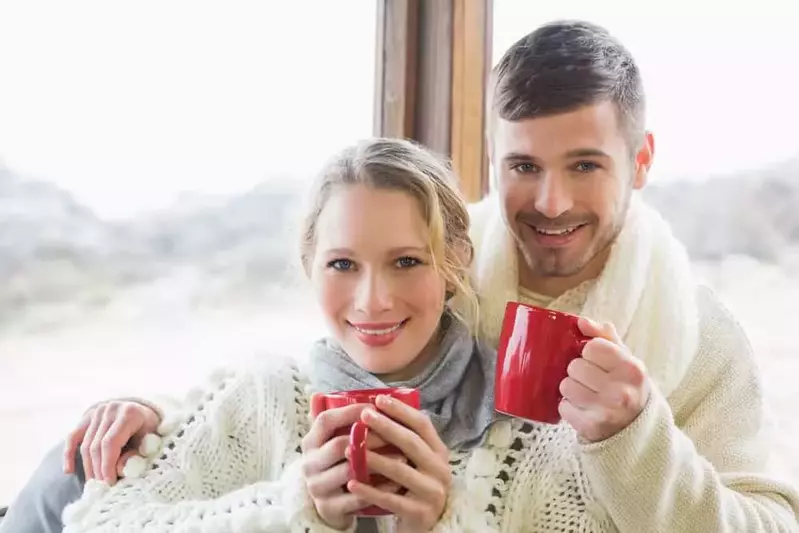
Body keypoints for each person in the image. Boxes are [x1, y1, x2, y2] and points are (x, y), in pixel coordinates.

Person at [4, 19, 799, 533]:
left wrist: (635, 436)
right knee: (61, 474)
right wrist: (164, 415)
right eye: (523, 165)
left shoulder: (696, 335)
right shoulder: (443, 269)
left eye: (585, 165)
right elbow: (333, 357)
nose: (550, 202)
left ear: (641, 160)